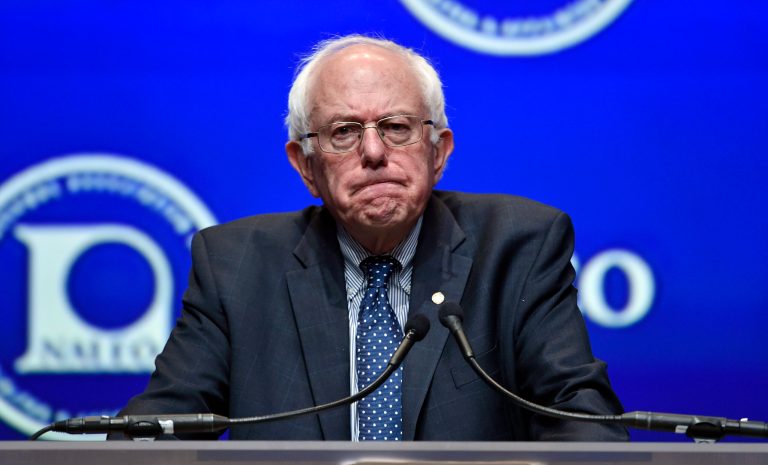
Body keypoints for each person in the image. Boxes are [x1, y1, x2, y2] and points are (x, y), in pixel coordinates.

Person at [116, 34, 628, 441]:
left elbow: (584, 425)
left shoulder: (518, 246)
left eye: (397, 126)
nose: (375, 152)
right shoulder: (235, 266)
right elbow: (155, 432)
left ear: (438, 151)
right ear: (305, 166)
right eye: (343, 131)